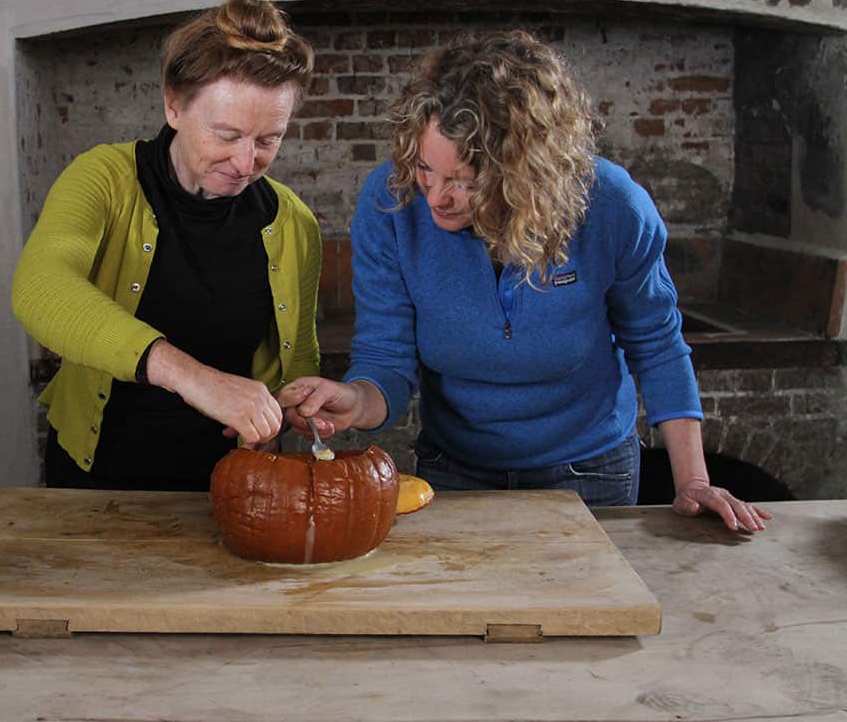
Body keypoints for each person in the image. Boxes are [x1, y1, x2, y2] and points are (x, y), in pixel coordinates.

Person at [279, 29, 770, 532]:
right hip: (455, 469)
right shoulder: (391, 204)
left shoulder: (612, 206)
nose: (436, 198)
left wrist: (693, 481)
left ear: (527, 174)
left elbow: (658, 344)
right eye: (427, 169)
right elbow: (386, 357)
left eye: (466, 182)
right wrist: (355, 403)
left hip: (590, 471)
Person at [12, 0, 321, 492]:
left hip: (233, 486)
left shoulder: (292, 221)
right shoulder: (104, 179)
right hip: (98, 481)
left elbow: (296, 357)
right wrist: (193, 378)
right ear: (173, 104)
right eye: (227, 135)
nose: (246, 162)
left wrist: (285, 408)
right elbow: (39, 289)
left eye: (268, 140)